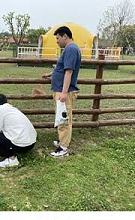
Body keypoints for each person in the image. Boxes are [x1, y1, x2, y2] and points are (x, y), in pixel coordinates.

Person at [42, 25, 82, 158]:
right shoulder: (69, 49)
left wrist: (64, 92)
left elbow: (68, 71)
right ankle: (62, 141)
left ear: (65, 36)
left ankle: (63, 148)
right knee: (61, 117)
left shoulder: (71, 49)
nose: (57, 41)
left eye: (58, 38)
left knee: (64, 119)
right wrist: (50, 74)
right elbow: (61, 68)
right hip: (60, 89)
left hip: (63, 91)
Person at [0, 94, 37, 168]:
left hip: (22, 146)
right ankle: (16, 151)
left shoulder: (0, 109)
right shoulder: (12, 108)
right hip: (31, 143)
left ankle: (12, 159)